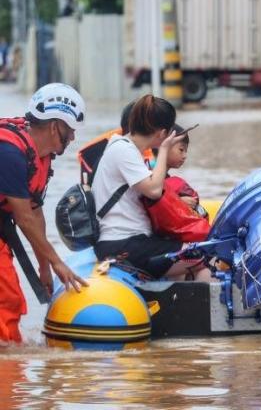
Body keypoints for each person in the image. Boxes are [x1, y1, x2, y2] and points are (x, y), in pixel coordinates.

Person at [0, 83, 88, 343]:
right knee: (7, 297)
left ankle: (12, 362)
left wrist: (45, 268)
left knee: (10, 298)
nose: (72, 138)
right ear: (54, 127)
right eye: (69, 131)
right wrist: (58, 262)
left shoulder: (40, 154)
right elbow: (24, 219)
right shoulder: (9, 153)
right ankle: (9, 374)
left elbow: (35, 214)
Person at [91, 94, 211, 281]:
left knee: (193, 260)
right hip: (123, 244)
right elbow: (154, 190)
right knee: (203, 256)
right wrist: (164, 149)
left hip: (132, 242)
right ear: (162, 133)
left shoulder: (124, 148)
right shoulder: (123, 150)